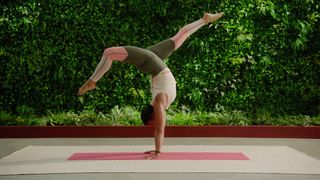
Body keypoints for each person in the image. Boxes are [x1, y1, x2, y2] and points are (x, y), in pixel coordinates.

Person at [77, 12, 224, 159]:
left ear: (152, 115)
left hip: (151, 63)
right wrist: (157, 150)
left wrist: (158, 152)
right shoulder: (161, 102)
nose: (156, 124)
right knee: (178, 38)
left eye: (152, 122)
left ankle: (92, 81)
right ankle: (204, 20)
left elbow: (160, 130)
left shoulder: (159, 103)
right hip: (154, 63)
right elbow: (159, 129)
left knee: (109, 53)